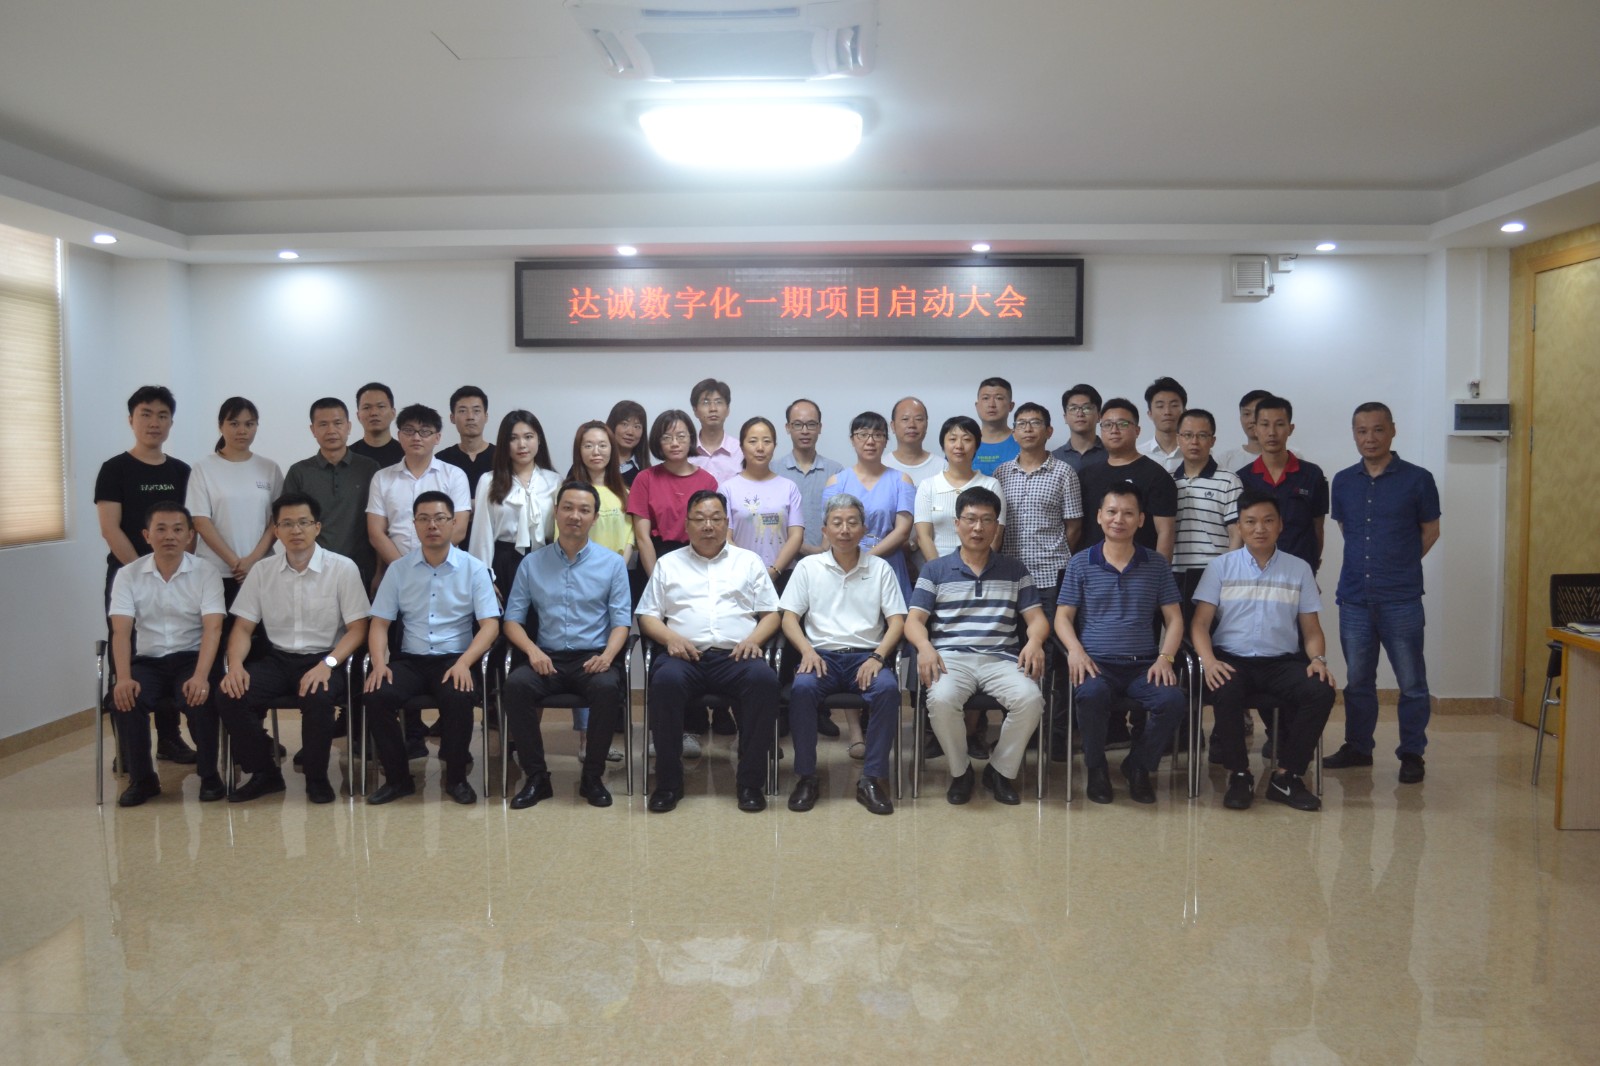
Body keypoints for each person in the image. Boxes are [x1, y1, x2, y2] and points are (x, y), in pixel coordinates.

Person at [215, 493, 370, 804]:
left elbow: (358, 629)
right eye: (287, 524)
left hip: (326, 658)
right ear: (276, 530)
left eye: (303, 522)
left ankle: (316, 778)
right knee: (230, 694)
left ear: (317, 527)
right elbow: (243, 628)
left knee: (318, 696)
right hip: (278, 659)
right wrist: (236, 666)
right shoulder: (262, 571)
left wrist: (327, 664)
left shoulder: (342, 568)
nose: (296, 530)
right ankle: (265, 773)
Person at [636, 490, 782, 813]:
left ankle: (750, 784)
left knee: (764, 681)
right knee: (665, 683)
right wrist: (670, 638)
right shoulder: (668, 564)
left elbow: (771, 613)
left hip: (737, 657)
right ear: (686, 524)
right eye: (700, 519)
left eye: (716, 519)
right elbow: (647, 616)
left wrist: (754, 640)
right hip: (684, 657)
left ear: (727, 523)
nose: (708, 526)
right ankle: (668, 784)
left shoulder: (748, 561)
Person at [1190, 491, 1336, 811]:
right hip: (1231, 659)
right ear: (1240, 527)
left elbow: (1312, 630)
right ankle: (1239, 775)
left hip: (1281, 663)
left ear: (1280, 525)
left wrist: (1318, 660)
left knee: (1321, 689)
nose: (1260, 529)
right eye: (1251, 522)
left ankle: (1287, 776)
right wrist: (1209, 662)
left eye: (1268, 521)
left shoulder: (1298, 569)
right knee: (1224, 687)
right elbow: (1199, 625)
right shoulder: (1220, 567)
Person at [906, 486, 1047, 806]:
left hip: (1002, 659)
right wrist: (925, 647)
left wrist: (1036, 640)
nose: (978, 528)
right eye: (970, 519)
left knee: (1030, 699)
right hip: (951, 659)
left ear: (997, 526)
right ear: (957, 524)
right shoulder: (935, 569)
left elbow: (1037, 618)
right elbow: (913, 621)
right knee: (941, 699)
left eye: (987, 520)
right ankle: (961, 772)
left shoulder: (1015, 569)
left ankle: (999, 771)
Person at [1324, 402, 1442, 784]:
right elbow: (1347, 530)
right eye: (1362, 431)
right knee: (1358, 681)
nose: (1370, 438)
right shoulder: (1343, 481)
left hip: (1401, 598)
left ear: (1392, 430)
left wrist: (1399, 564)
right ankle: (1359, 747)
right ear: (1354, 434)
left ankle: (1412, 753)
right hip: (1354, 598)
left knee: (1411, 682)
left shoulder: (1418, 479)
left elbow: (1431, 531)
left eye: (1377, 429)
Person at [362, 491, 500, 805]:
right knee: (376, 695)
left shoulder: (474, 568)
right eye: (423, 519)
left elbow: (490, 625)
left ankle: (457, 778)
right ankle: (398, 779)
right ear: (414, 524)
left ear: (453, 523)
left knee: (458, 695)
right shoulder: (399, 569)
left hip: (455, 658)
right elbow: (380, 623)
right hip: (410, 660)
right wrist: (380, 663)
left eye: (439, 518)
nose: (432, 525)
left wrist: (465, 662)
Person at [501, 482, 632, 810]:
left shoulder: (612, 564)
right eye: (568, 508)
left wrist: (607, 656)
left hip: (593, 657)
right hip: (547, 657)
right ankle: (536, 777)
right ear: (556, 512)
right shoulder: (532, 563)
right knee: (516, 685)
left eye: (584, 510)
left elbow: (621, 622)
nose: (575, 516)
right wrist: (532, 651)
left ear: (595, 518)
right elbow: (512, 620)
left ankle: (593, 777)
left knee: (606, 688)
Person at [1055, 483, 1186, 805]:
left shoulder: (1156, 564)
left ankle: (1139, 766)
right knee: (1090, 694)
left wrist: (1165, 658)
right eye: (1112, 512)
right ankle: (1096, 767)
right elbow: (1062, 617)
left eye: (1128, 513)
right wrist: (1076, 651)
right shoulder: (1080, 563)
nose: (1119, 519)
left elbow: (1174, 619)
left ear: (1141, 520)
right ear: (1099, 516)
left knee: (1172, 700)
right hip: (1096, 664)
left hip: (1144, 665)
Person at [780, 493, 907, 815]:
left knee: (888, 689)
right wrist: (807, 651)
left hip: (866, 657)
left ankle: (871, 779)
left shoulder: (880, 568)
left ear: (864, 529)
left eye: (852, 523)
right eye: (837, 523)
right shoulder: (809, 567)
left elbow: (897, 622)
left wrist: (878, 657)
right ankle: (807, 776)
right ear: (825, 530)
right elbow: (789, 618)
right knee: (802, 689)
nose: (845, 530)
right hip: (820, 656)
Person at [95, 384, 195, 765]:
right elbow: (110, 528)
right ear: (131, 420)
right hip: (127, 575)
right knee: (127, 653)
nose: (154, 422)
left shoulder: (181, 471)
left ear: (171, 422)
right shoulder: (114, 469)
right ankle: (128, 748)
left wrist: (179, 571)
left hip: (176, 578)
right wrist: (145, 571)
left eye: (162, 415)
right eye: (146, 415)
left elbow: (190, 529)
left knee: (170, 651)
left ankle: (169, 739)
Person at [106, 502, 224, 806]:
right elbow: (121, 632)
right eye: (161, 529)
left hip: (192, 658)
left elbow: (213, 628)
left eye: (177, 529)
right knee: (127, 700)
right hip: (149, 662)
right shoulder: (128, 575)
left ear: (190, 536)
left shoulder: (206, 572)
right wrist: (123, 678)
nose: (169, 536)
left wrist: (201, 676)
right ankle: (143, 780)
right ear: (147, 535)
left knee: (201, 698)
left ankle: (210, 776)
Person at [625, 409, 720, 753]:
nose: (675, 442)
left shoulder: (707, 480)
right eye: (667, 437)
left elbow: (712, 530)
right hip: (656, 563)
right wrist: (659, 582)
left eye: (681, 436)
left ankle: (692, 728)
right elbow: (642, 536)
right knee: (659, 651)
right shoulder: (645, 478)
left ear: (691, 439)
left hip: (698, 561)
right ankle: (660, 731)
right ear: (657, 442)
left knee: (692, 643)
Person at [566, 420, 634, 764]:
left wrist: (616, 569)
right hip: (580, 585)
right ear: (579, 450)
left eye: (603, 445)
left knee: (610, 661)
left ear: (613, 450)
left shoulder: (624, 492)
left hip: (616, 581)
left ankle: (603, 736)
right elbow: (564, 539)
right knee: (585, 658)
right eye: (589, 445)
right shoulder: (570, 493)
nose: (596, 452)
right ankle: (585, 739)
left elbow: (630, 538)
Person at [186, 396, 283, 600]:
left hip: (261, 569)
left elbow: (277, 520)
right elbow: (200, 521)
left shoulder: (269, 468)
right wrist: (236, 563)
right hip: (215, 571)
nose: (242, 431)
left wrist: (252, 560)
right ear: (220, 426)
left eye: (249, 424)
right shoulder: (203, 468)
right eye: (234, 423)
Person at [282, 397, 380, 592]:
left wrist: (380, 572)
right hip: (313, 570)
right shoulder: (299, 472)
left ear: (349, 426)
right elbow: (287, 524)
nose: (331, 430)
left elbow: (380, 524)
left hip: (362, 569)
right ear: (313, 430)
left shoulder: (369, 468)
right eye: (323, 424)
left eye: (338, 423)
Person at [467, 409, 561, 604]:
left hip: (546, 562)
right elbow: (481, 535)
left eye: (528, 437)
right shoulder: (489, 481)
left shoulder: (555, 481)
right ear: (504, 443)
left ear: (539, 439)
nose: (522, 444)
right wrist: (484, 578)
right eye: (513, 438)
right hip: (504, 563)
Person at [366, 403, 473, 571]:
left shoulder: (454, 475)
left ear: (437, 437)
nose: (416, 437)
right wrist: (404, 568)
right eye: (409, 431)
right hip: (397, 569)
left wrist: (425, 563)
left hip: (444, 568)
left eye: (425, 432)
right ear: (399, 435)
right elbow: (376, 533)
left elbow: (459, 530)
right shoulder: (382, 478)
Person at [823, 411, 915, 604]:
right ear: (852, 440)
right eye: (863, 434)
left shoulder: (902, 480)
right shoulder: (836, 482)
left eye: (878, 435)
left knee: (892, 618)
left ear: (886, 440)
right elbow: (830, 530)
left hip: (889, 564)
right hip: (844, 566)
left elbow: (903, 531)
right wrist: (852, 560)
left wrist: (865, 559)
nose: (870, 441)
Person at [1234, 395, 1328, 574]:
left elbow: (1318, 528)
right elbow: (1240, 531)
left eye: (1279, 424)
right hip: (1254, 573)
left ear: (1290, 429)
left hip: (1300, 571)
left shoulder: (1312, 474)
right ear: (1255, 428)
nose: (1272, 432)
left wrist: (1312, 568)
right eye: (1265, 424)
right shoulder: (1242, 478)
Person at [1076, 398, 1178, 560]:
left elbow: (1165, 532)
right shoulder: (1086, 475)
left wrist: (1159, 572)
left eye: (1122, 424)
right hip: (1092, 568)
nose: (1114, 430)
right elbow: (1078, 528)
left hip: (1139, 568)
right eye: (1107, 425)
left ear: (1137, 430)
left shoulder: (1156, 476)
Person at [1171, 408, 1243, 616]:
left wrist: (1228, 575)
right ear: (1178, 439)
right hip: (1175, 573)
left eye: (1202, 435)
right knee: (1179, 633)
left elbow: (1236, 533)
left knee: (1211, 633)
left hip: (1213, 573)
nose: (1194, 442)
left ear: (1212, 441)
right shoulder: (1167, 480)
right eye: (1187, 435)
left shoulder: (1229, 480)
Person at [719, 416, 804, 591]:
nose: (760, 448)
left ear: (774, 446)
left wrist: (774, 571)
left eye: (767, 441)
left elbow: (796, 535)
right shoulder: (727, 489)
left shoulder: (789, 487)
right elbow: (725, 537)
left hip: (783, 575)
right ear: (742, 446)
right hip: (740, 575)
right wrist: (751, 571)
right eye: (752, 441)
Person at [914, 416, 1006, 563]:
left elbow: (996, 536)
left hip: (980, 568)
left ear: (976, 446)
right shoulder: (928, 486)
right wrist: (939, 571)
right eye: (952, 439)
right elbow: (923, 537)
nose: (959, 445)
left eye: (967, 439)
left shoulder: (991, 485)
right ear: (943, 445)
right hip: (938, 568)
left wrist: (978, 569)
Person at [774, 398, 844, 563]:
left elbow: (841, 517)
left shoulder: (835, 471)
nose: (805, 431)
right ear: (788, 427)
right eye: (798, 425)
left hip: (827, 562)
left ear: (820, 428)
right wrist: (806, 549)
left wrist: (823, 549)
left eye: (811, 424)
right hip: (783, 564)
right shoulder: (773, 470)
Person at [437, 385, 495, 543]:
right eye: (462, 411)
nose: (470, 417)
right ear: (452, 418)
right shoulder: (441, 460)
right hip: (451, 541)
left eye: (476, 411)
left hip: (494, 539)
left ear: (486, 416)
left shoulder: (502, 457)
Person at [687, 378, 742, 484]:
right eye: (705, 402)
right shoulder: (685, 450)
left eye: (719, 402)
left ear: (728, 409)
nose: (713, 408)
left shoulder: (741, 451)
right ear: (695, 410)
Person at [884, 396, 943, 485]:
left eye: (918, 419)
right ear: (893, 426)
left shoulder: (941, 467)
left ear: (926, 425)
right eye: (905, 419)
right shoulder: (882, 465)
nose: (912, 425)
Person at [1051, 384, 1108, 473]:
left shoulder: (1112, 454)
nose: (1080, 414)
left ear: (1098, 416)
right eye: (1073, 408)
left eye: (1087, 408)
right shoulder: (1054, 458)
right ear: (1065, 417)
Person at [1137, 376, 1187, 474]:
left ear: (1184, 412)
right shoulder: (1138, 455)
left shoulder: (1198, 454)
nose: (1167, 412)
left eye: (1174, 405)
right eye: (1160, 406)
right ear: (1150, 414)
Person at [1217, 388, 1273, 473]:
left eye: (1258, 413)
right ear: (1240, 418)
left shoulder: (1291, 456)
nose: (1252, 420)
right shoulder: (1225, 460)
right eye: (1247, 414)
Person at [971, 377, 1020, 474]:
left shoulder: (1023, 441)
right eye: (986, 398)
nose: (991, 404)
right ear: (977, 406)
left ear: (1011, 406)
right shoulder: (963, 443)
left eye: (999, 398)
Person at [349, 382, 404, 468]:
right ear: (358, 415)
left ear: (393, 413)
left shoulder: (407, 454)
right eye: (366, 407)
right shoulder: (346, 456)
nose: (374, 413)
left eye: (381, 406)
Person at [606, 399, 651, 485]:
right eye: (624, 424)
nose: (630, 432)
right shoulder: (596, 464)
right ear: (613, 425)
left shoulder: (647, 473)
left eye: (637, 426)